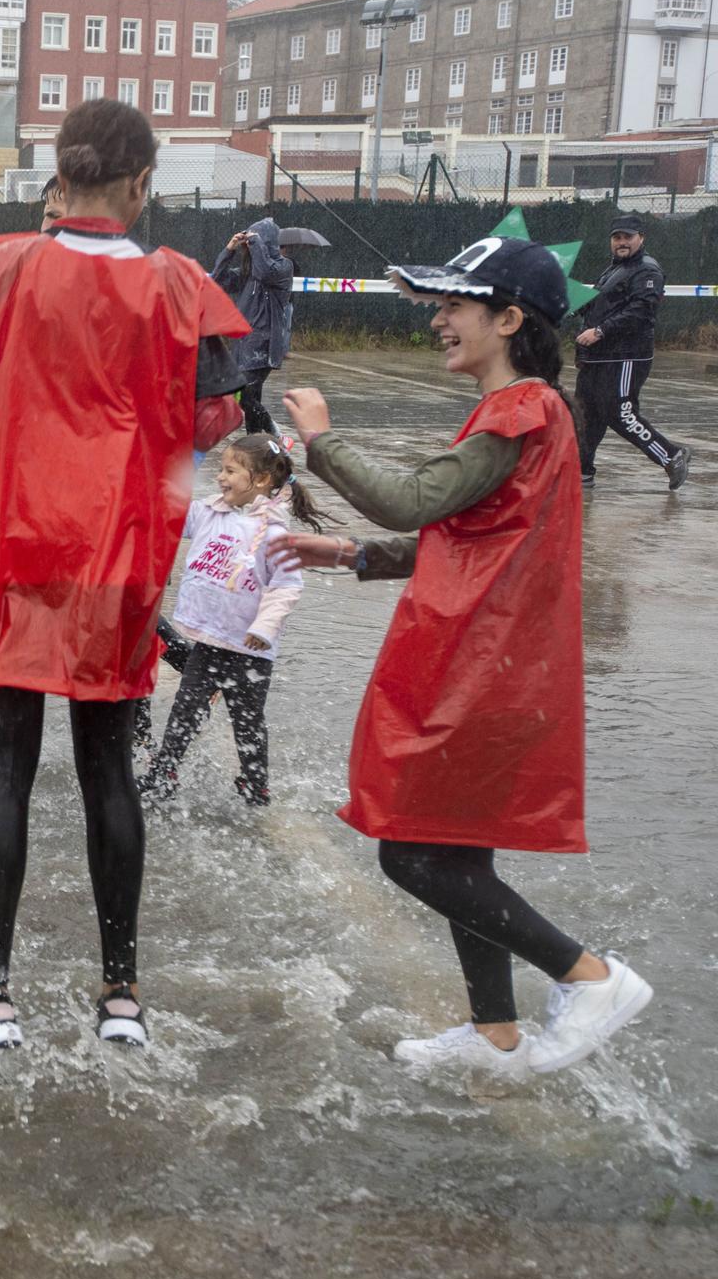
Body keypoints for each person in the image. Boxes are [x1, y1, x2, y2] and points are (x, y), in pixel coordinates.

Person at [273, 234, 653, 1081]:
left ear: (510, 319)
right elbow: (469, 530)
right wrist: (355, 556)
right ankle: (496, 1033)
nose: (439, 320)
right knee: (458, 847)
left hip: (484, 662)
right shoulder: (528, 412)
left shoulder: (520, 408)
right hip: (493, 655)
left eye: (455, 306)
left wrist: (323, 441)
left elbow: (415, 501)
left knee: (410, 850)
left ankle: (589, 974)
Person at [0, 100, 250, 1068]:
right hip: (117, 557)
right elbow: (213, 427)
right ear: (140, 184)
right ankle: (120, 995)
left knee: (5, 766)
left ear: (56, 176)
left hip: (15, 544)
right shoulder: (182, 287)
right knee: (107, 766)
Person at [136, 435, 330, 808]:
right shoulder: (210, 513)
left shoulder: (276, 535)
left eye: (229, 470)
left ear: (258, 480)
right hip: (209, 643)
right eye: (221, 468)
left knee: (248, 723)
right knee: (184, 712)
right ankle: (165, 774)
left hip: (250, 651)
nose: (220, 477)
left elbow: (287, 587)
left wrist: (264, 628)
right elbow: (168, 510)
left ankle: (255, 784)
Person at [573, 213, 690, 491]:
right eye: (617, 237)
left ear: (641, 239)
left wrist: (600, 331)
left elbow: (640, 311)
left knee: (621, 413)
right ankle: (582, 472)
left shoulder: (647, 270)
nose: (622, 242)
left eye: (627, 237)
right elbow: (604, 305)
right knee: (586, 414)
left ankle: (671, 456)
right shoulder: (614, 269)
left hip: (626, 356)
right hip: (599, 356)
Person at [210, 218, 293, 437]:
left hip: (265, 344)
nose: (249, 248)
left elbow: (266, 272)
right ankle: (257, 444)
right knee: (250, 397)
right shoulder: (247, 272)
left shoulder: (283, 267)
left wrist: (256, 243)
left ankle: (274, 433)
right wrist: (229, 250)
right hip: (243, 342)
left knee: (241, 391)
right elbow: (217, 279)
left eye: (254, 243)